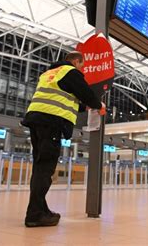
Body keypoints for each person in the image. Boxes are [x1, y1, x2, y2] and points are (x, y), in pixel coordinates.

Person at [22, 51, 105, 227]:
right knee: (45, 168)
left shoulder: (49, 73)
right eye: (82, 65)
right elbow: (85, 93)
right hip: (51, 121)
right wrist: (99, 105)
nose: (82, 69)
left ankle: (41, 209)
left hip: (36, 120)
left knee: (40, 167)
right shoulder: (70, 71)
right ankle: (34, 215)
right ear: (76, 61)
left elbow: (67, 97)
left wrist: (86, 106)